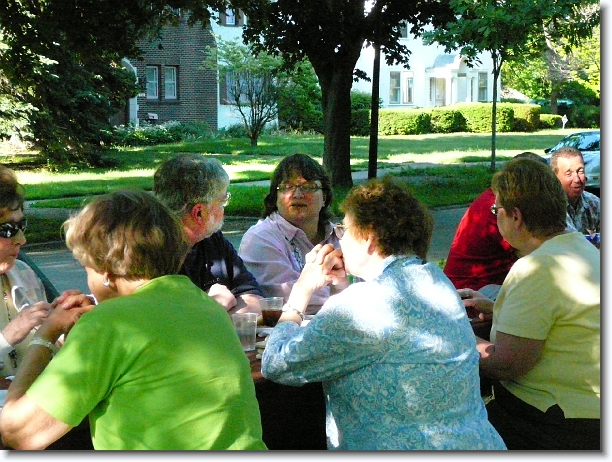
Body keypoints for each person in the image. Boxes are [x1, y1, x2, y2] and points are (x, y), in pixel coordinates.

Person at [0, 190, 267, 450]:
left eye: (86, 268)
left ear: (105, 270)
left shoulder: (107, 325)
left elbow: (18, 434)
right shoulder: (207, 306)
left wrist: (44, 336)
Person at [261, 176, 506, 450]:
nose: (340, 240)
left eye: (344, 230)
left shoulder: (363, 304)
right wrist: (340, 287)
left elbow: (276, 364)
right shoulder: (434, 279)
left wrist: (300, 293)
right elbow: (360, 339)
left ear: (368, 237)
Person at [462, 158, 600, 450]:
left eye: (496, 210)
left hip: (556, 422)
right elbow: (561, 320)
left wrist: (458, 333)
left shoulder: (536, 268)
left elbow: (507, 364)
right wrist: (497, 309)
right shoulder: (582, 249)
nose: (495, 216)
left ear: (516, 216)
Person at [153, 154, 263, 315]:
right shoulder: (149, 251)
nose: (224, 208)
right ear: (199, 213)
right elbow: (159, 319)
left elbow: (254, 300)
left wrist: (210, 316)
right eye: (223, 200)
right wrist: (208, 306)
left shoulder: (212, 240)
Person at [238, 154, 346, 315]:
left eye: (308, 187)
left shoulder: (341, 237)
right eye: (287, 187)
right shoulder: (259, 239)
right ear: (275, 198)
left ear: (324, 197)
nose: (297, 194)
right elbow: (286, 297)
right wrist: (349, 295)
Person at [443, 152, 547, 300]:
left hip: (490, 283)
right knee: (536, 298)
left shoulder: (508, 200)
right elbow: (532, 253)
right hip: (471, 289)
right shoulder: (499, 209)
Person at [0, 166, 55, 377]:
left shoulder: (22, 273)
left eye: (22, 225)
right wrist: (7, 337)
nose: (21, 240)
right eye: (8, 230)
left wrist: (64, 328)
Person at [549, 146, 600, 235]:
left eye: (580, 171)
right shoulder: (548, 208)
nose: (577, 179)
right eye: (569, 173)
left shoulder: (594, 203)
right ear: (554, 177)